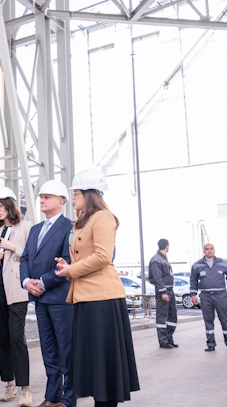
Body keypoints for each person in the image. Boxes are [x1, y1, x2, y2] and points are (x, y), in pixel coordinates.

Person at [55, 169, 140, 407]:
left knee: (104, 365)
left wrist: (72, 270)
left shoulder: (103, 217)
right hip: (86, 298)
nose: (72, 198)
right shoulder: (83, 221)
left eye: (76, 193)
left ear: (89, 194)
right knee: (94, 364)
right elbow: (85, 256)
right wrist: (67, 265)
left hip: (102, 299)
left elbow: (103, 256)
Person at [19, 180, 74, 407]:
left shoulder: (69, 228)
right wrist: (26, 282)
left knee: (66, 351)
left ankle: (69, 399)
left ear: (61, 201)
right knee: (48, 350)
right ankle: (53, 397)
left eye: (48, 196)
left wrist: (41, 282)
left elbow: (68, 262)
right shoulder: (34, 230)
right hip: (41, 300)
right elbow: (24, 259)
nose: (42, 199)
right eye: (41, 196)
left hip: (61, 299)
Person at [0, 186, 33, 406]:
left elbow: (31, 257)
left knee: (16, 337)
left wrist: (13, 247)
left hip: (16, 290)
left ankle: (25, 389)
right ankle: (10, 385)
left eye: (0, 206)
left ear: (10, 205)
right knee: (1, 338)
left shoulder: (25, 227)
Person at [189, 243, 227, 352]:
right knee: (208, 321)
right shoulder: (197, 265)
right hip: (205, 296)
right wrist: (193, 294)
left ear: (214, 250)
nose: (209, 251)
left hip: (220, 295)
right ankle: (210, 345)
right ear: (203, 251)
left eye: (211, 249)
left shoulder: (222, 263)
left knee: (224, 319)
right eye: (207, 249)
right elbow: (193, 280)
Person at [148, 238, 177, 349]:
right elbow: (157, 277)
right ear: (167, 246)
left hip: (170, 290)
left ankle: (169, 338)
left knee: (172, 316)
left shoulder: (163, 259)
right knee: (162, 317)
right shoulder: (156, 259)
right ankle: (163, 341)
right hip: (164, 292)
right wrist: (163, 291)